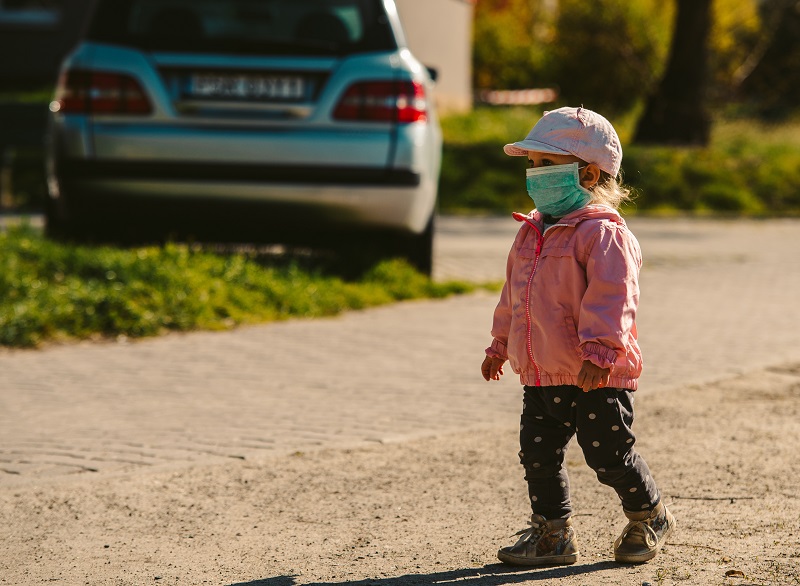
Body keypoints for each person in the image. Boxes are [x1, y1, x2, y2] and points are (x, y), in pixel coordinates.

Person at [481, 106, 674, 566]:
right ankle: (553, 534)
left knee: (608, 454)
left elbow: (614, 298)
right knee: (537, 455)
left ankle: (649, 514)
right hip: (543, 372)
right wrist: (499, 344)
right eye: (531, 164)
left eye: (546, 165)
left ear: (588, 174)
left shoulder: (603, 234)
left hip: (596, 372)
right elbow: (514, 295)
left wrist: (601, 352)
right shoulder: (532, 231)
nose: (534, 174)